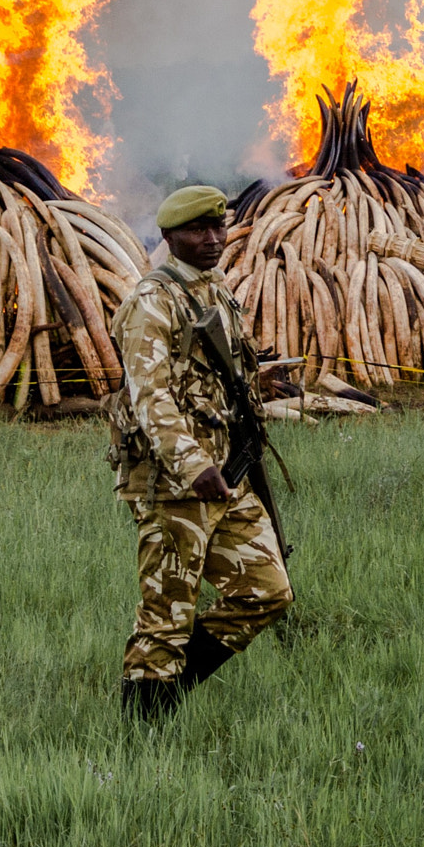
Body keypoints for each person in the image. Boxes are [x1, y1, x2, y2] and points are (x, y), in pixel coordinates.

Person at [106, 184, 296, 721]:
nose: (213, 239)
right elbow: (150, 395)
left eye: (218, 227)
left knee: (267, 590)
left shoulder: (215, 288)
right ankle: (139, 739)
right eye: (197, 230)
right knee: (166, 614)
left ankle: (169, 694)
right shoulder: (153, 301)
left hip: (227, 474)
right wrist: (193, 465)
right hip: (174, 484)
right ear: (169, 237)